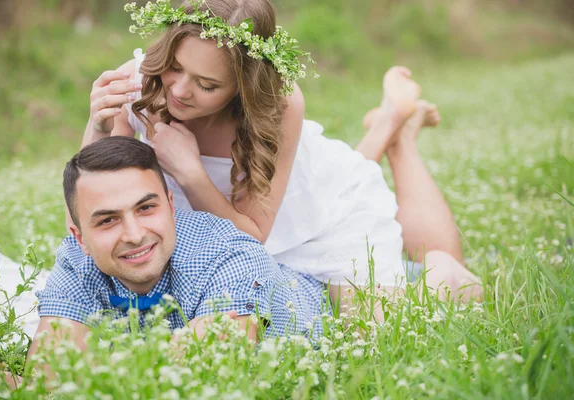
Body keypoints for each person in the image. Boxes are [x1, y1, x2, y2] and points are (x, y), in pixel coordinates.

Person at [86, 0, 481, 305]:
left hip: (294, 216)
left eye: (207, 85)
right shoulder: (139, 84)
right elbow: (90, 198)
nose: (179, 90)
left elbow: (254, 238)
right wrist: (97, 125)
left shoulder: (278, 103)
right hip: (243, 224)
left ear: (242, 88)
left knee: (443, 281)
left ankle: (401, 132)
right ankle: (388, 121)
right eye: (174, 66)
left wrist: (190, 173)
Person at [28, 136, 327, 363]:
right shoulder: (75, 260)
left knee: (335, 188)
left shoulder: (229, 255)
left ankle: (377, 128)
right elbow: (49, 376)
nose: (134, 235)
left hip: (312, 279)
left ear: (171, 205)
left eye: (146, 208)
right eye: (108, 220)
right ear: (80, 238)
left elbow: (208, 369)